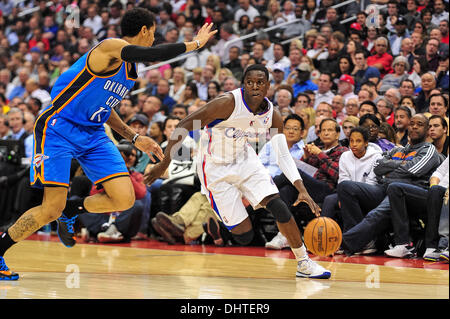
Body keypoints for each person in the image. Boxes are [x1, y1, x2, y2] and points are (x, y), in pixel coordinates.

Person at [0, 8, 217, 280]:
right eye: (153, 32)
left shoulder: (129, 69)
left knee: (124, 198)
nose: (154, 37)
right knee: (49, 208)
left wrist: (135, 137)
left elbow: (106, 105)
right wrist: (195, 44)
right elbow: (153, 54)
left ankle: (73, 208)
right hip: (59, 127)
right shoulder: (111, 47)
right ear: (146, 30)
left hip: (93, 133)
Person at [144, 64, 331, 279]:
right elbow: (186, 124)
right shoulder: (226, 104)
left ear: (268, 86)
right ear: (243, 84)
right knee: (244, 236)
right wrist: (164, 163)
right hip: (214, 168)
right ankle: (214, 225)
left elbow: (282, 155)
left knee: (278, 205)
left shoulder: (272, 115)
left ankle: (303, 263)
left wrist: (301, 188)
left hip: (245, 160)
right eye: (249, 82)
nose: (254, 86)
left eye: (260, 82)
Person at [340, 114, 441, 256]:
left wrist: (389, 172)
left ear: (427, 129)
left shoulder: (428, 149)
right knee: (346, 187)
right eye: (412, 123)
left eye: (420, 124)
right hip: (386, 188)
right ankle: (363, 242)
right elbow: (378, 167)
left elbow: (412, 171)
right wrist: (397, 167)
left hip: (409, 194)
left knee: (376, 213)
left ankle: (345, 242)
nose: (415, 126)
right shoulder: (397, 150)